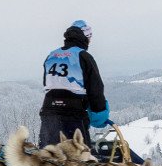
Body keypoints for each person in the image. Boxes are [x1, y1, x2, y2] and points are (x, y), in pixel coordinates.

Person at [39, 19, 111, 150]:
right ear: (84, 36)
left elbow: (48, 84)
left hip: (49, 114)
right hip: (73, 115)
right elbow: (96, 91)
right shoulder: (84, 56)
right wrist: (99, 116)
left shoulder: (51, 56)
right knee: (81, 162)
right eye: (89, 36)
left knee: (48, 161)